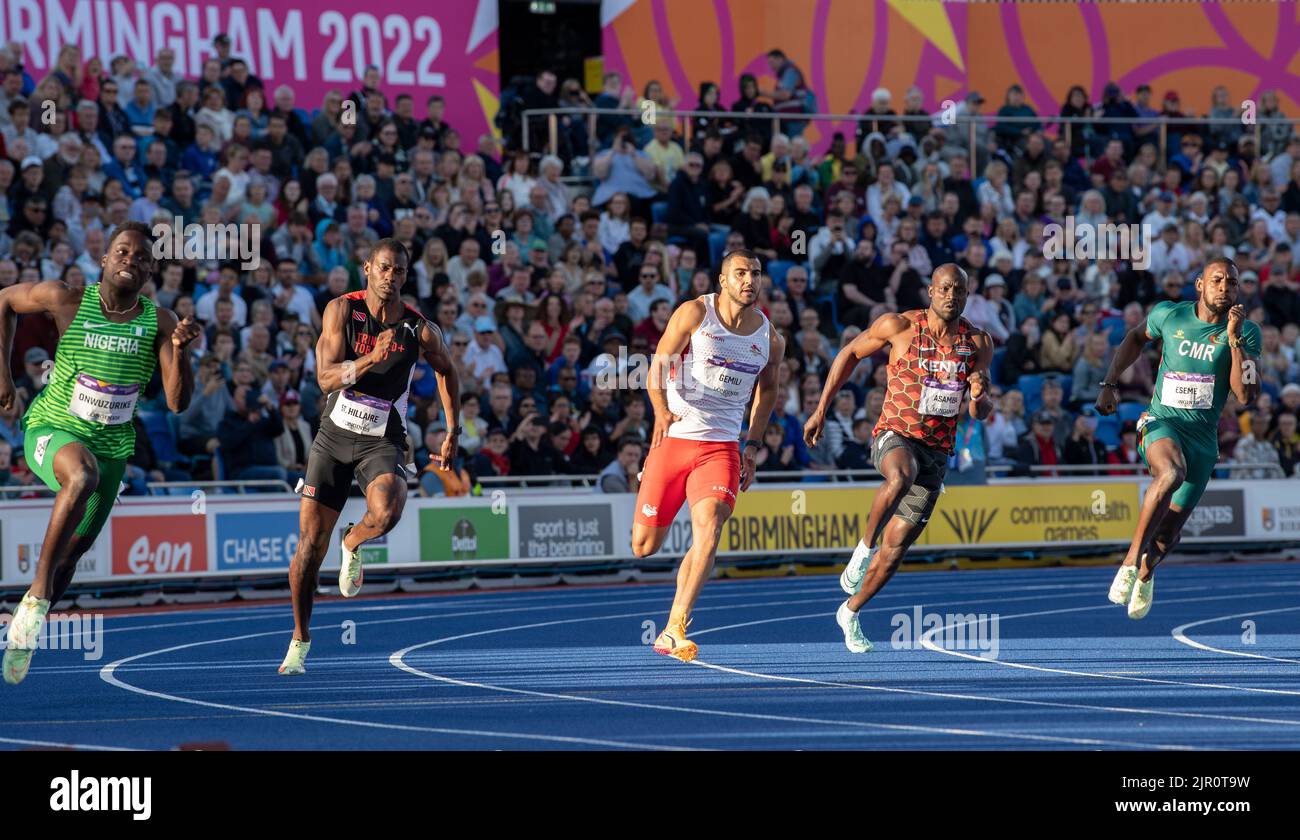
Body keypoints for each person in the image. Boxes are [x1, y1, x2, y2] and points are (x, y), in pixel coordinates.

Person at [0, 221, 201, 684]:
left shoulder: (161, 322)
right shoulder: (66, 299)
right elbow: (5, 301)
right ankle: (32, 599)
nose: (131, 260)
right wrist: (4, 375)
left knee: (75, 554)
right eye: (123, 252)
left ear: (151, 270)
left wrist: (180, 352)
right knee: (81, 477)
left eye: (141, 257)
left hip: (112, 446)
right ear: (104, 259)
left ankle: (27, 628)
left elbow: (176, 403)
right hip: (52, 430)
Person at [279, 238, 461, 675]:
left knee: (387, 511)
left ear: (405, 274)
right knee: (308, 549)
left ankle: (352, 540)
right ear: (367, 268)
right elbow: (324, 378)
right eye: (383, 268)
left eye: (398, 270)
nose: (390, 277)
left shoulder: (420, 329)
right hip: (334, 434)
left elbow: (448, 370)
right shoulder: (341, 310)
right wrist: (369, 360)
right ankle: (300, 641)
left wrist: (453, 428)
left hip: (383, 436)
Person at [804, 264, 993, 653]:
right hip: (895, 434)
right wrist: (821, 409)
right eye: (944, 288)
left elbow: (980, 412)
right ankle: (862, 549)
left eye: (958, 290)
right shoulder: (900, 326)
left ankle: (850, 612)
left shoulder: (977, 342)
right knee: (899, 476)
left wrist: (977, 394)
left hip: (937, 450)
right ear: (930, 291)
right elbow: (849, 353)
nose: (950, 295)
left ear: (966, 295)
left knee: (898, 548)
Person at [631, 249, 784, 662]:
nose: (749, 280)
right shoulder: (694, 314)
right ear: (722, 280)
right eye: (740, 273)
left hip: (721, 446)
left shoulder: (770, 338)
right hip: (675, 437)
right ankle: (673, 616)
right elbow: (658, 364)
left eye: (755, 273)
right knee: (643, 546)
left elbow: (768, 391)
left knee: (710, 527)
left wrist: (751, 445)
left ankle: (674, 627)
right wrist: (661, 411)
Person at [1096, 258, 1261, 619]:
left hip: (1203, 439)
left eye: (1231, 283)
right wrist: (1109, 384)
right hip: (1162, 421)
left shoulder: (1246, 332)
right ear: (1200, 284)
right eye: (1217, 280)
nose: (1225, 288)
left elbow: (1246, 396)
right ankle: (1127, 563)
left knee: (1168, 535)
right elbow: (1136, 336)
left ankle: (1145, 573)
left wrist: (1234, 341)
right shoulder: (1170, 315)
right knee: (1170, 473)